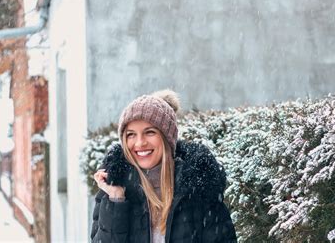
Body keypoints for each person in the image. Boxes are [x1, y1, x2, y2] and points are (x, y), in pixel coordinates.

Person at [91, 89, 237, 243]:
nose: (140, 143)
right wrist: (116, 200)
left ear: (167, 138)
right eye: (131, 134)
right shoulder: (114, 188)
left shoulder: (198, 186)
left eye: (150, 132)